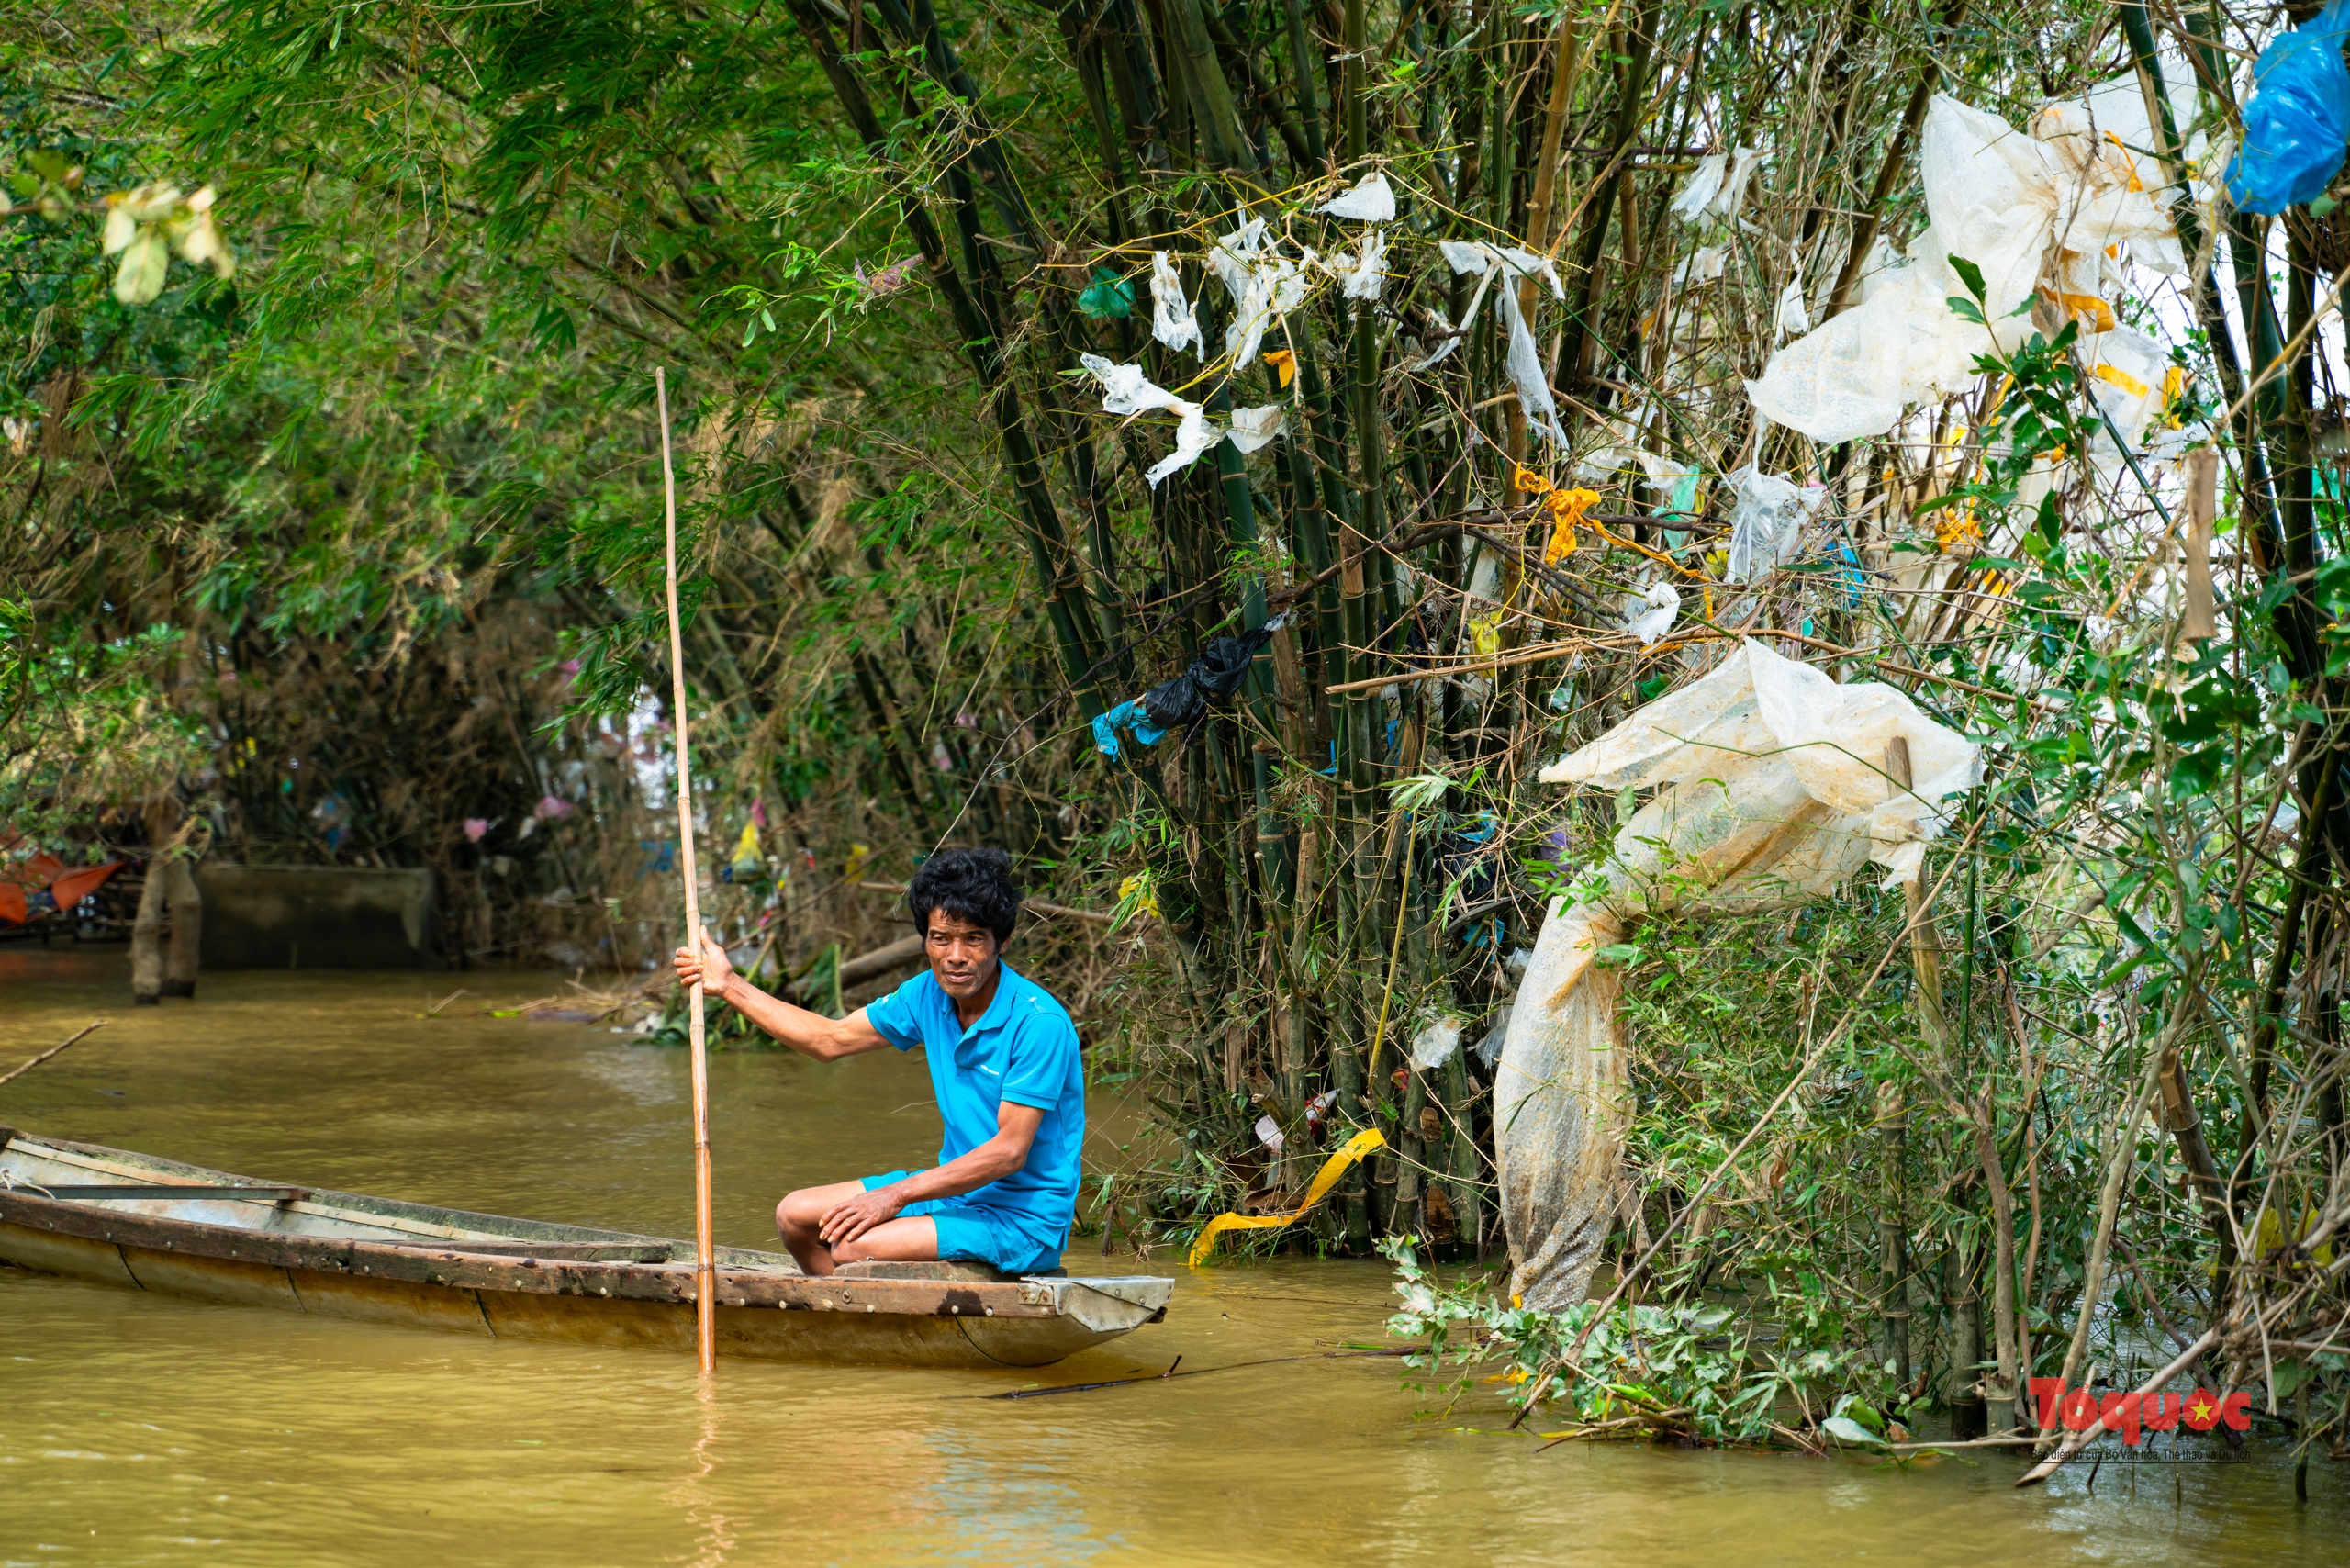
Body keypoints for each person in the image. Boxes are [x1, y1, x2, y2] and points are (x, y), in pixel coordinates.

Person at [671, 846, 1083, 1278]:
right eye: (941, 938)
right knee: (795, 1216)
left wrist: (895, 1195)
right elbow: (828, 1040)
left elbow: (1008, 1153)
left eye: (974, 939)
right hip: (956, 1197)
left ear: (1003, 941)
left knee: (853, 1244)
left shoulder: (1039, 1023)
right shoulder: (926, 994)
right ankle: (846, 1324)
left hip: (1021, 1220)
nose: (955, 956)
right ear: (925, 939)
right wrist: (729, 985)